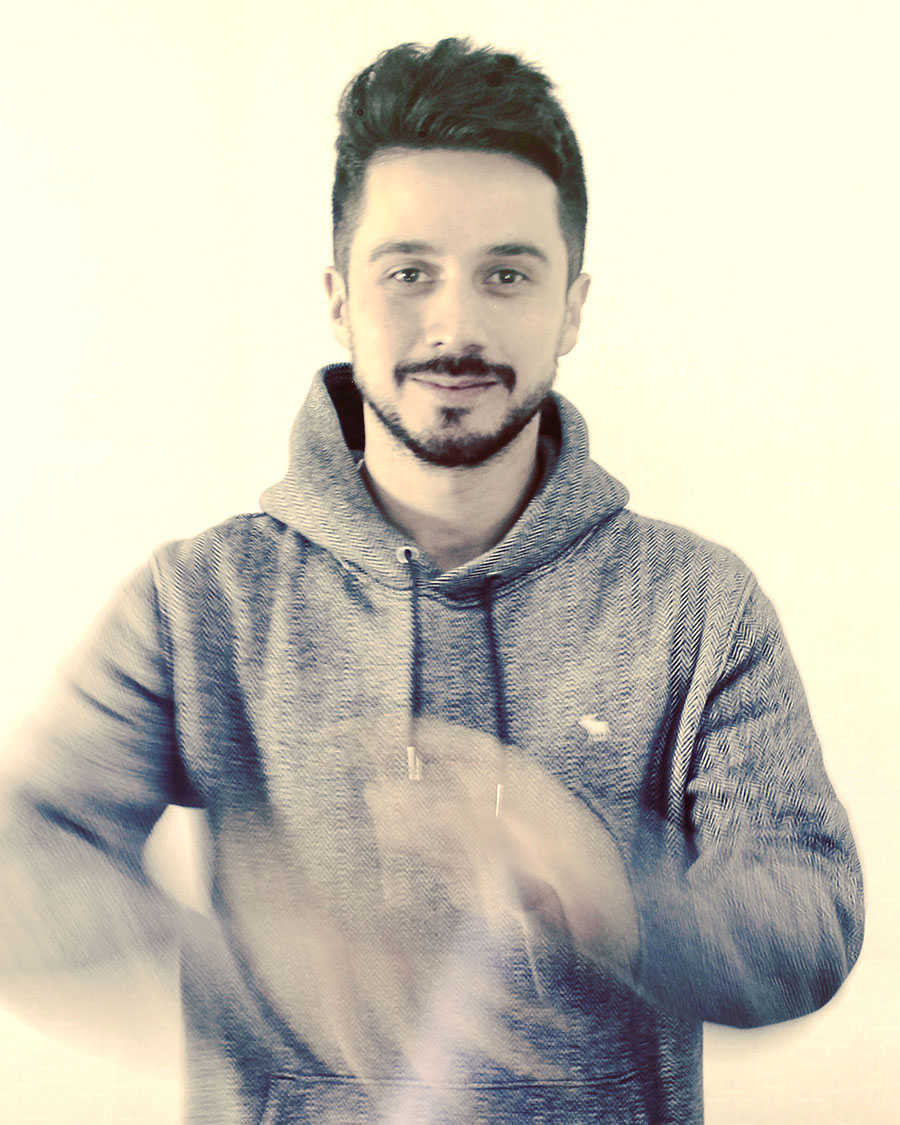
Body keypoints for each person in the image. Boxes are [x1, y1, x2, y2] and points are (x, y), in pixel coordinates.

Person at [0, 37, 863, 1124]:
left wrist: (615, 895)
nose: (456, 326)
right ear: (338, 300)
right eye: (408, 272)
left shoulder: (698, 603)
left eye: (507, 274)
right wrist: (253, 962)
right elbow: (23, 852)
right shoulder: (200, 600)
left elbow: (810, 924)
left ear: (572, 307)